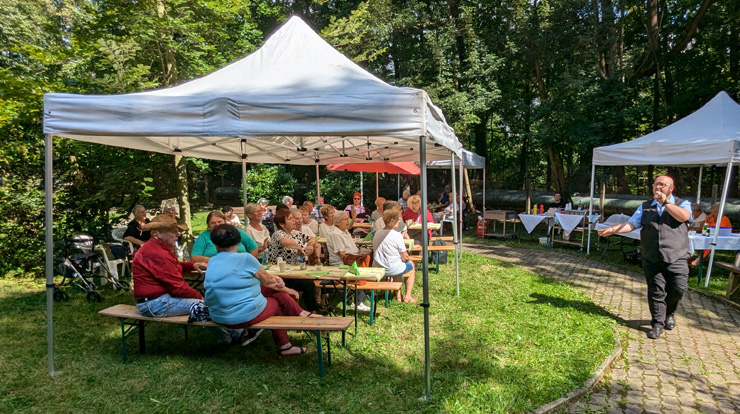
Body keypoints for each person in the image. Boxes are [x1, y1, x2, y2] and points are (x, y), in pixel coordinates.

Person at [204, 224, 322, 355]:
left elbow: (266, 282)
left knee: (272, 290)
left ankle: (301, 313)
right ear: (238, 241)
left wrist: (281, 286)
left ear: (215, 243)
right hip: (241, 317)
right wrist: (287, 289)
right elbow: (270, 281)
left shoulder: (212, 261)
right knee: (276, 301)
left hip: (217, 315)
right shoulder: (246, 258)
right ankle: (286, 345)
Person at [597, 176, 691, 339]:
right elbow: (632, 224)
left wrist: (666, 203)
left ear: (671, 188)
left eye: (663, 185)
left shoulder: (682, 203)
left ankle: (670, 313)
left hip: (677, 255)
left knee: (678, 288)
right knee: (656, 290)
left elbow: (683, 217)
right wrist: (612, 230)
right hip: (652, 255)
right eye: (656, 184)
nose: (659, 187)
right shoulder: (645, 207)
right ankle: (657, 324)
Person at [131, 214, 240, 343]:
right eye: (173, 231)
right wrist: (200, 297)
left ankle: (233, 335)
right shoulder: (157, 253)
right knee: (207, 306)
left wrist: (192, 265)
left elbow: (171, 266)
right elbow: (178, 288)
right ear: (158, 234)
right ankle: (234, 336)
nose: (178, 234)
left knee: (209, 303)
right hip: (155, 304)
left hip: (154, 301)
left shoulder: (156, 248)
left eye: (178, 230)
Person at [268, 209, 320, 311]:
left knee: (311, 281)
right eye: (290, 219)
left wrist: (310, 245)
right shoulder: (278, 234)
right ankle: (312, 311)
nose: (294, 221)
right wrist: (300, 248)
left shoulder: (295, 233)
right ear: (282, 224)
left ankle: (312, 309)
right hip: (280, 275)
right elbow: (286, 242)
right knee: (308, 284)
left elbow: (313, 238)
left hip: (295, 272)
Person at [327, 210, 372, 311]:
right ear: (337, 222)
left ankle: (359, 299)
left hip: (352, 260)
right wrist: (357, 257)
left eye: (348, 219)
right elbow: (342, 255)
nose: (348, 221)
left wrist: (361, 253)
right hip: (342, 264)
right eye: (345, 219)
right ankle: (358, 302)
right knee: (362, 272)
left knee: (369, 260)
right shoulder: (335, 234)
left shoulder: (344, 231)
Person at [373, 209, 416, 303]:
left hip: (378, 267)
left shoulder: (377, 233)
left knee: (399, 265)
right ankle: (408, 296)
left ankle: (399, 295)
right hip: (391, 268)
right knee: (411, 265)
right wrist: (409, 260)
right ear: (392, 220)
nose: (399, 221)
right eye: (397, 219)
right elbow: (405, 256)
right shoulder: (397, 235)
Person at [191, 211, 260, 263]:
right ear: (208, 225)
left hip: (240, 266)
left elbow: (253, 247)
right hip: (215, 268)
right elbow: (194, 257)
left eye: (219, 222)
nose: (217, 225)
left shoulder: (235, 231)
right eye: (213, 223)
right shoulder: (203, 236)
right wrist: (214, 260)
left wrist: (250, 264)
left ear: (225, 221)